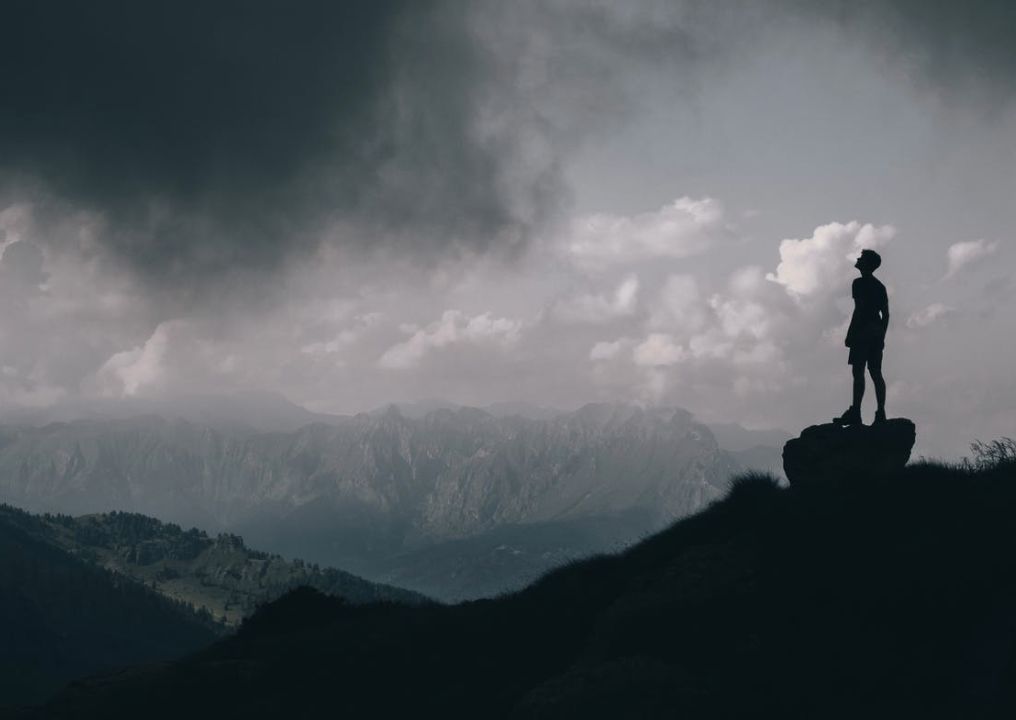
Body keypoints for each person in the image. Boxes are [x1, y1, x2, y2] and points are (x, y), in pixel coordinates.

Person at [834, 249, 889, 425]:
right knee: (876, 372)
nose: (858, 259)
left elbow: (859, 309)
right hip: (876, 330)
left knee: (858, 372)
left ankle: (856, 412)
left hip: (863, 330)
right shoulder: (880, 286)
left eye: (861, 258)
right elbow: (886, 314)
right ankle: (881, 412)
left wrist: (850, 333)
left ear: (866, 263)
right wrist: (882, 336)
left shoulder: (858, 283)